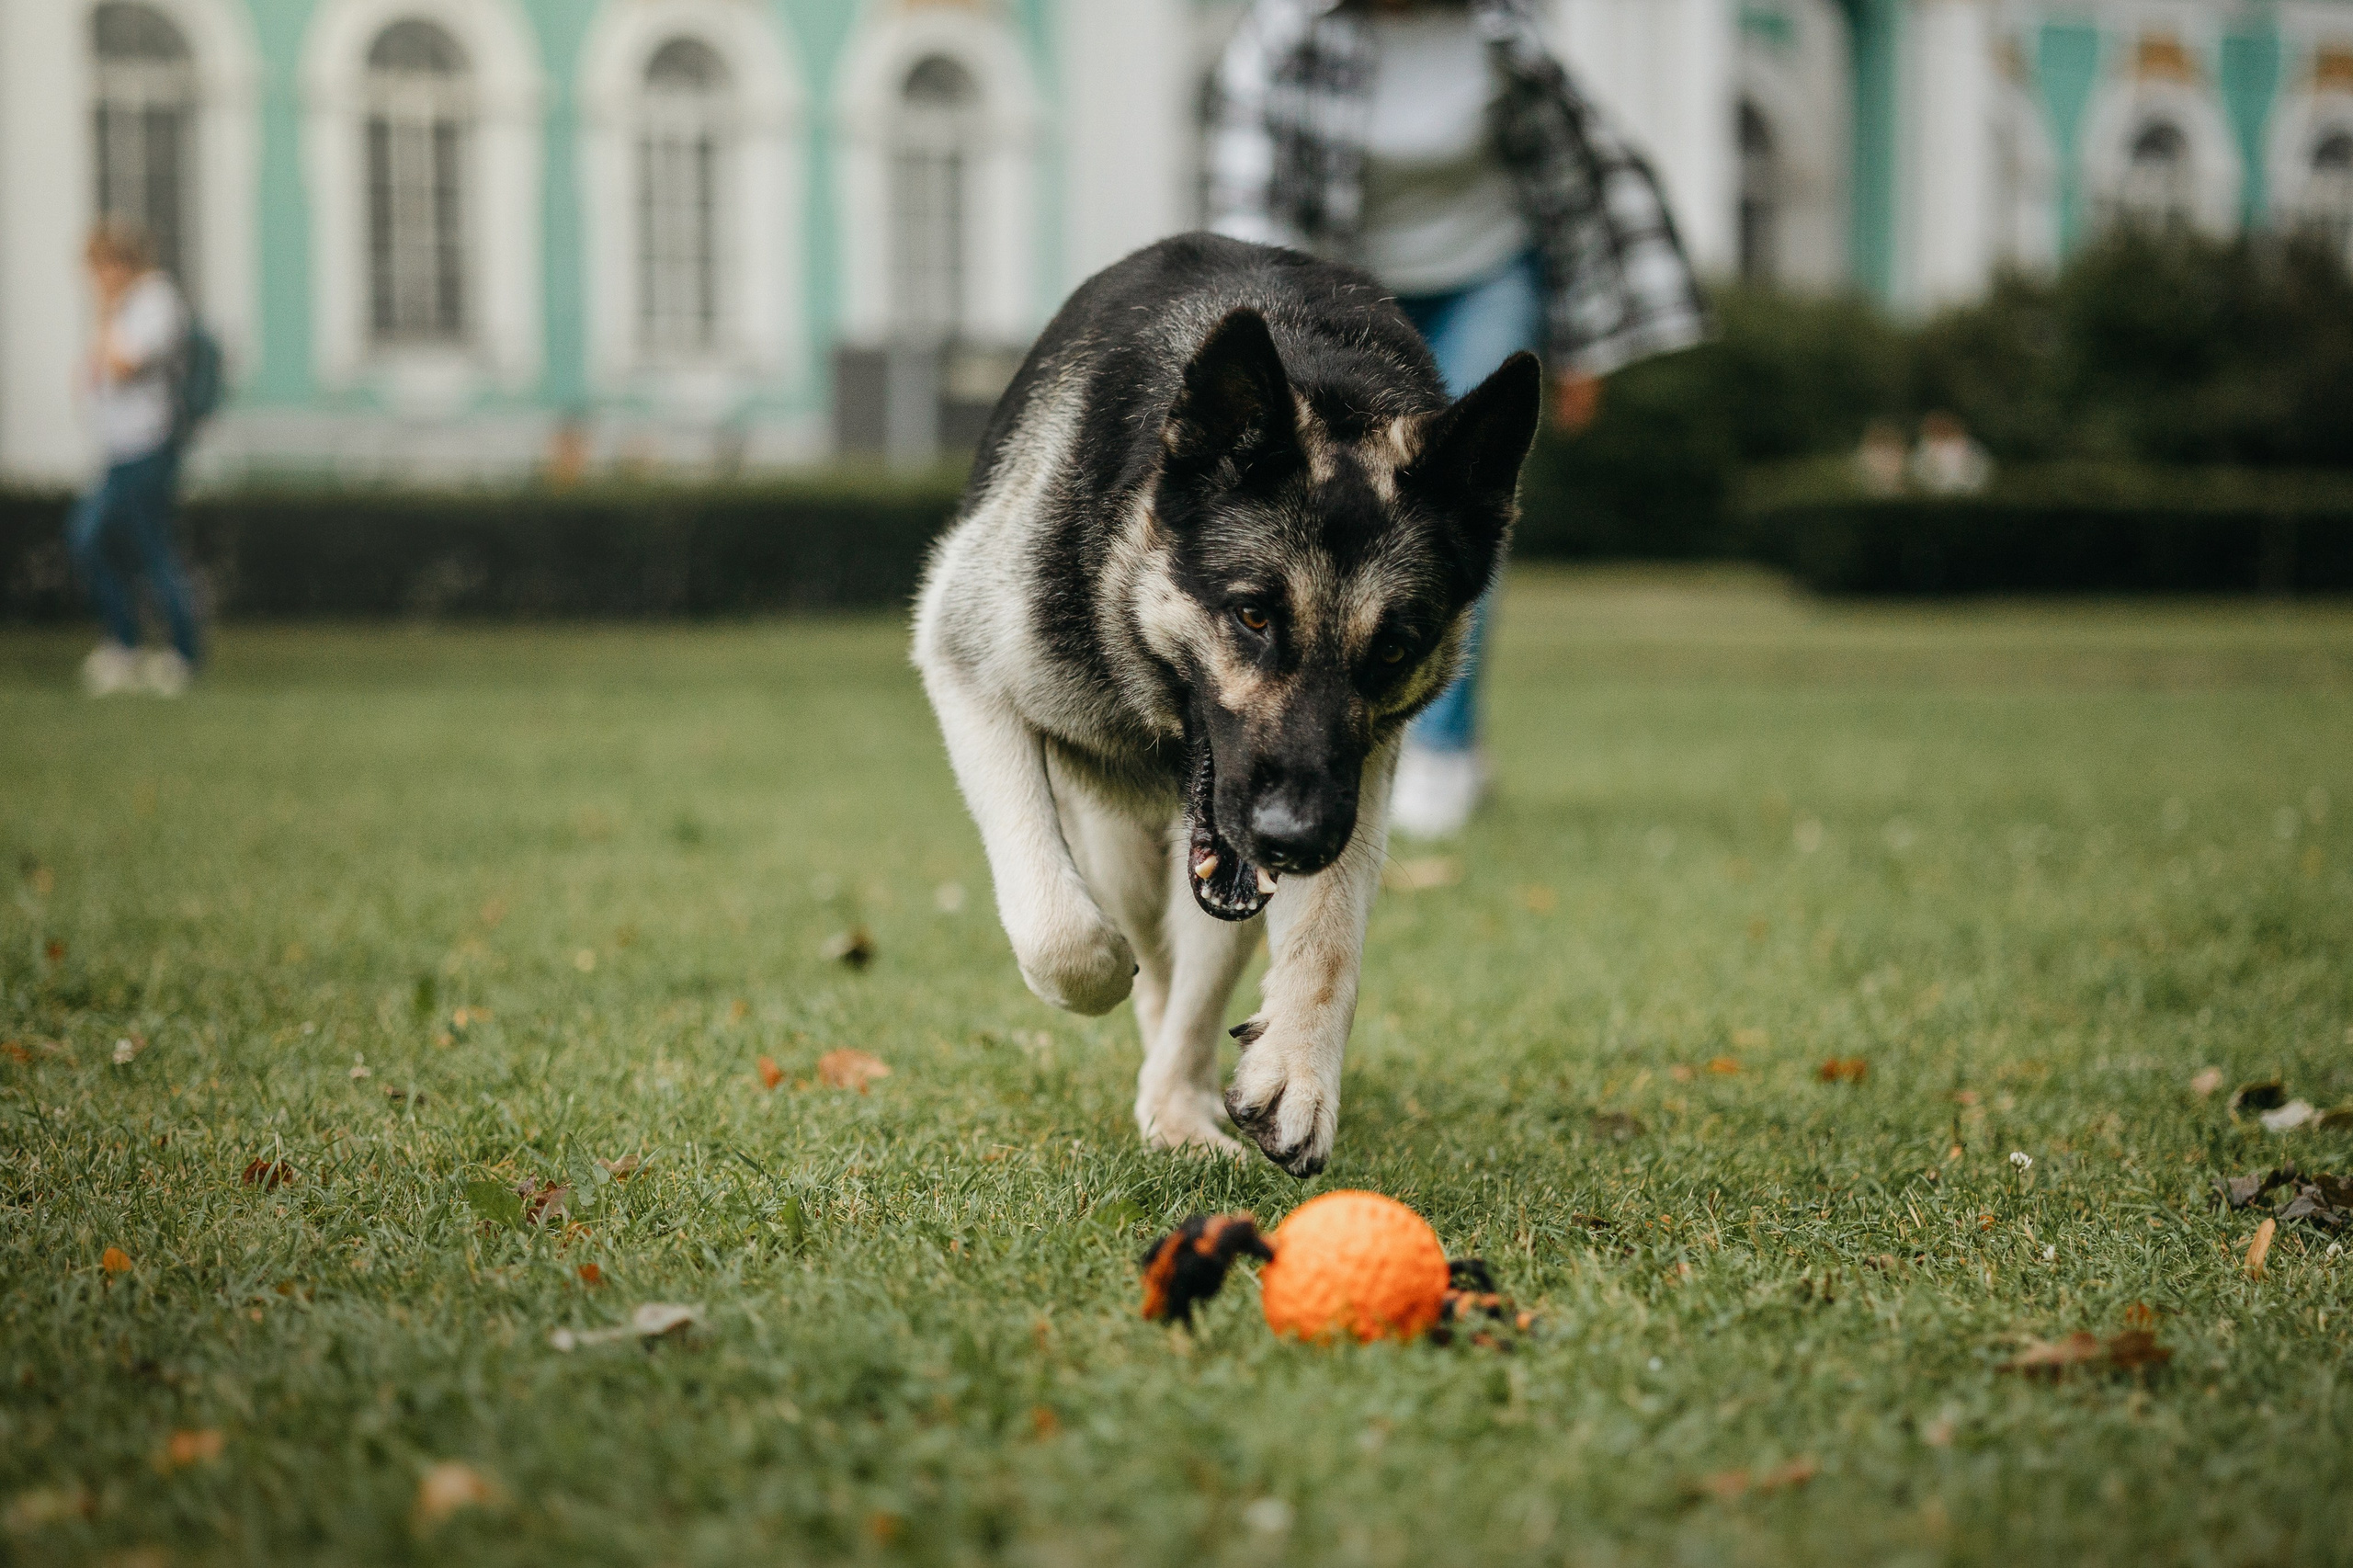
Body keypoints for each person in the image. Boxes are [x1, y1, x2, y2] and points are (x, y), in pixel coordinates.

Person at [1207, 0, 1704, 836]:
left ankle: (1442, 748)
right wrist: (1262, 354)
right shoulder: (1286, 36)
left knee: (1454, 516)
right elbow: (1248, 211)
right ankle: (1312, 721)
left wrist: (1580, 346)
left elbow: (1572, 183)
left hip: (1487, 273)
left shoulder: (1504, 33)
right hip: (1347, 291)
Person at [72, 222, 201, 697]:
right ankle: (125, 642)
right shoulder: (123, 308)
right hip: (117, 449)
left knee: (147, 547)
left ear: (122, 264)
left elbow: (123, 367)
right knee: (101, 541)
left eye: (102, 267)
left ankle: (180, 652)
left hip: (148, 447)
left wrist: (106, 316)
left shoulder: (154, 302)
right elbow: (89, 379)